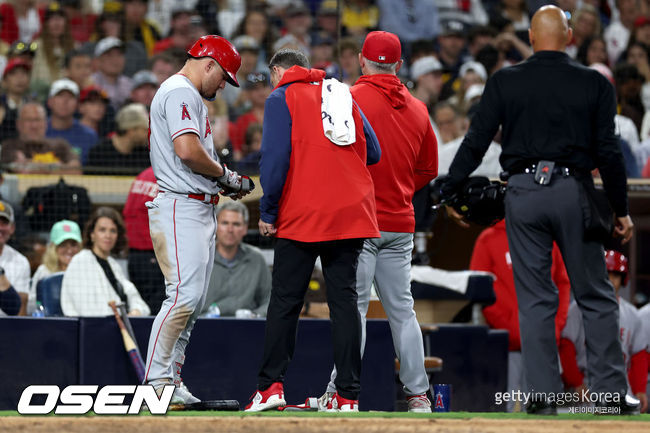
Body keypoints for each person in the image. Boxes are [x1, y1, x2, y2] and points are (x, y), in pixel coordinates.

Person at [439, 5, 638, 415]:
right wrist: (620, 209)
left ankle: (543, 396)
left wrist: (451, 192)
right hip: (573, 191)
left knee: (535, 300)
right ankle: (611, 397)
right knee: (596, 295)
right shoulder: (593, 81)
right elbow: (609, 153)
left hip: (523, 192)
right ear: (569, 36)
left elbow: (476, 141)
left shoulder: (505, 80)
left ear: (530, 37)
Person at [245, 48, 380, 412]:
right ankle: (347, 396)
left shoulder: (280, 96)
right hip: (351, 211)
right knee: (345, 304)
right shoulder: (339, 91)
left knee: (286, 301)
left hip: (302, 212)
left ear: (277, 71)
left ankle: (270, 389)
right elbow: (374, 151)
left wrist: (268, 211)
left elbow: (274, 160)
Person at [321, 31, 438, 413]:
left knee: (353, 309)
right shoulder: (420, 109)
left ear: (361, 60)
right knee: (403, 311)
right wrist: (399, 187)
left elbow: (332, 158)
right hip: (400, 221)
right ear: (399, 65)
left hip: (360, 221)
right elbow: (428, 169)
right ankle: (419, 396)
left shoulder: (350, 98)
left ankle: (342, 393)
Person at [143, 35, 251, 406]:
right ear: (208, 63)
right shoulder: (179, 90)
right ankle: (156, 383)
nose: (224, 84)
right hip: (179, 206)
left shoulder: (185, 93)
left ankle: (171, 380)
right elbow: (187, 151)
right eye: (224, 76)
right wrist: (227, 176)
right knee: (183, 298)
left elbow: (193, 157)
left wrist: (221, 180)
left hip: (196, 205)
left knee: (192, 303)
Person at [470, 219, 571, 412]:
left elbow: (563, 283)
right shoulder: (488, 239)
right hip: (505, 348)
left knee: (544, 412)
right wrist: (513, 329)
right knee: (503, 410)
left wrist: (555, 327)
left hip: (543, 344)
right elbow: (480, 288)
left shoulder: (549, 238)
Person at [560, 251, 648, 413]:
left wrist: (640, 389)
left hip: (621, 388)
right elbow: (566, 347)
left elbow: (638, 355)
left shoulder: (631, 314)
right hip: (584, 388)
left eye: (615, 275)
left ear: (623, 279)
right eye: (606, 273)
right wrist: (577, 382)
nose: (610, 279)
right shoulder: (578, 309)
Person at [60, 207, 150, 317]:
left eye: (113, 231)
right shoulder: (80, 262)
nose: (108, 235)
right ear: (92, 234)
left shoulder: (113, 264)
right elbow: (86, 311)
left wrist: (136, 311)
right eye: (102, 230)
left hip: (120, 326)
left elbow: (136, 299)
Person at [200, 201, 271, 317]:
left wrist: (255, 316)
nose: (230, 229)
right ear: (215, 226)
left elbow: (269, 300)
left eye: (236, 224)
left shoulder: (257, 259)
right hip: (203, 326)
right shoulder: (201, 257)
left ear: (245, 228)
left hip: (246, 328)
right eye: (225, 223)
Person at [122, 166, 165, 315]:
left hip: (135, 255)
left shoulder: (144, 174)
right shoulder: (166, 177)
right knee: (153, 312)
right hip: (153, 255)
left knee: (140, 307)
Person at [29, 220, 81, 314]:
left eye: (73, 245)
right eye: (63, 245)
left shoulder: (86, 271)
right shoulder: (44, 271)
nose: (69, 251)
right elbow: (31, 306)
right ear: (53, 247)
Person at [86, 103, 150, 175]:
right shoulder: (99, 152)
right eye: (145, 129)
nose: (149, 133)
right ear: (131, 130)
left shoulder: (146, 154)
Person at [45, 78, 98, 165]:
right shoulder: (37, 131)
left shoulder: (89, 136)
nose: (65, 101)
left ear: (77, 104)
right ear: (50, 102)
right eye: (60, 96)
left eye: (71, 97)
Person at [0, 200, 30, 316]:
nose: (0, 228)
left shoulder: (20, 262)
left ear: (12, 228)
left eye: (4, 223)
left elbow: (19, 308)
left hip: (7, 328)